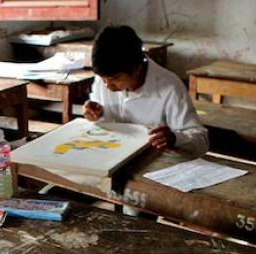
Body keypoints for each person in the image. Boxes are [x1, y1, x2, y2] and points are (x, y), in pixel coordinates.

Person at [84, 25, 208, 157]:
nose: (107, 85)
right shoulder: (105, 75)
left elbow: (201, 140)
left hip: (153, 160)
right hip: (110, 153)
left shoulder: (169, 86)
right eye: (103, 79)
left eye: (114, 79)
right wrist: (95, 112)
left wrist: (175, 138)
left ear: (136, 69)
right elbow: (100, 118)